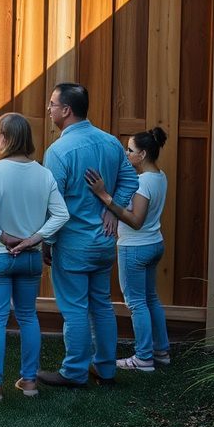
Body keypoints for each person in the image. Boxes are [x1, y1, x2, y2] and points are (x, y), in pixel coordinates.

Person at [38, 83, 139, 389]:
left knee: (75, 310)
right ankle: (106, 370)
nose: (49, 109)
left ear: (66, 110)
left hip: (73, 245)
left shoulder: (58, 151)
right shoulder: (110, 142)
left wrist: (46, 240)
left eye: (52, 104)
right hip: (104, 244)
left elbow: (49, 201)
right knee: (102, 306)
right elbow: (131, 178)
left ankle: (74, 372)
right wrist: (111, 209)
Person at [0, 113, 69, 401]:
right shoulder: (43, 174)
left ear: (5, 138)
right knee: (27, 316)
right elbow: (62, 214)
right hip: (30, 258)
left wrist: (3, 237)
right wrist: (34, 239)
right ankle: (29, 382)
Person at [84, 127, 171, 371]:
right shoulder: (159, 176)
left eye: (130, 150)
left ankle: (143, 358)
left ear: (142, 154)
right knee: (150, 298)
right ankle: (161, 350)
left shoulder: (143, 182)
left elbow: (135, 220)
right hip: (153, 244)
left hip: (136, 247)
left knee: (135, 303)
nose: (126, 153)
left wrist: (103, 195)